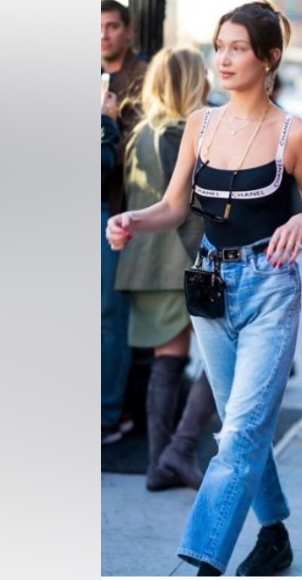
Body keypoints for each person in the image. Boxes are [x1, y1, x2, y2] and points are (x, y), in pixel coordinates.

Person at [106, 2, 302, 576]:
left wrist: (299, 220)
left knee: (241, 432)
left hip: (270, 289)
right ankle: (274, 533)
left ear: (269, 58)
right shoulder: (201, 124)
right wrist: (132, 220)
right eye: (220, 46)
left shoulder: (296, 134)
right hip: (210, 287)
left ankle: (204, 562)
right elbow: (174, 206)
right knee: (238, 427)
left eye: (238, 49)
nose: (223, 59)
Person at [113, 46, 217, 492]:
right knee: (227, 358)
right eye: (204, 74)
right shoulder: (181, 134)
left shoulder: (141, 132)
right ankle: (180, 450)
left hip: (145, 264)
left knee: (167, 363)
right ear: (192, 82)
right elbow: (189, 210)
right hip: (181, 262)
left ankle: (161, 463)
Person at [100, 0, 148, 444]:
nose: (103, 35)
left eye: (112, 26)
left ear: (128, 31)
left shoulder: (144, 77)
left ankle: (109, 414)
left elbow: (142, 148)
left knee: (110, 312)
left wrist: (109, 122)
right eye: (98, 27)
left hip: (118, 207)